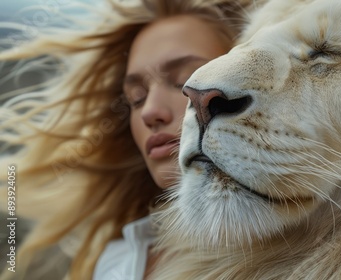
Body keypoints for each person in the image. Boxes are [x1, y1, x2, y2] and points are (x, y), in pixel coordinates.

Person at [0, 0, 250, 279]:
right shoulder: (112, 262)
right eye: (136, 98)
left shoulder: (297, 255)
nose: (150, 112)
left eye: (183, 80)